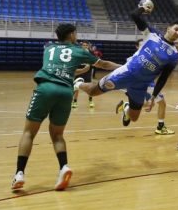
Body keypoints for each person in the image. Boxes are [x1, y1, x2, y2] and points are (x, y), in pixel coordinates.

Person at [12, 23, 120, 193]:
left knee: (28, 133)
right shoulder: (79, 51)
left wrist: (77, 70)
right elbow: (104, 64)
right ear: (71, 35)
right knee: (57, 135)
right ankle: (63, 167)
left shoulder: (48, 48)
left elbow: (56, 68)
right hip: (65, 92)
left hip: (45, 88)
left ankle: (19, 174)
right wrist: (124, 68)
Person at [74, 8, 178, 132]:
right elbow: (134, 15)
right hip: (125, 74)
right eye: (176, 29)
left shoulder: (174, 55)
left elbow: (164, 78)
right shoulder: (152, 34)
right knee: (93, 92)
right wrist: (142, 9)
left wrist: (152, 97)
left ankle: (127, 108)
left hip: (141, 85)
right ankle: (78, 83)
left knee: (134, 117)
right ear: (168, 28)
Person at [72, 42, 98, 110]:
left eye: (86, 45)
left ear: (88, 46)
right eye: (83, 45)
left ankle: (90, 101)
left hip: (87, 72)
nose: (85, 46)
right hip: (80, 71)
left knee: (89, 87)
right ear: (81, 46)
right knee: (76, 87)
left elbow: (94, 61)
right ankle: (74, 102)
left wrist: (90, 65)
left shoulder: (91, 53)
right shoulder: (78, 53)